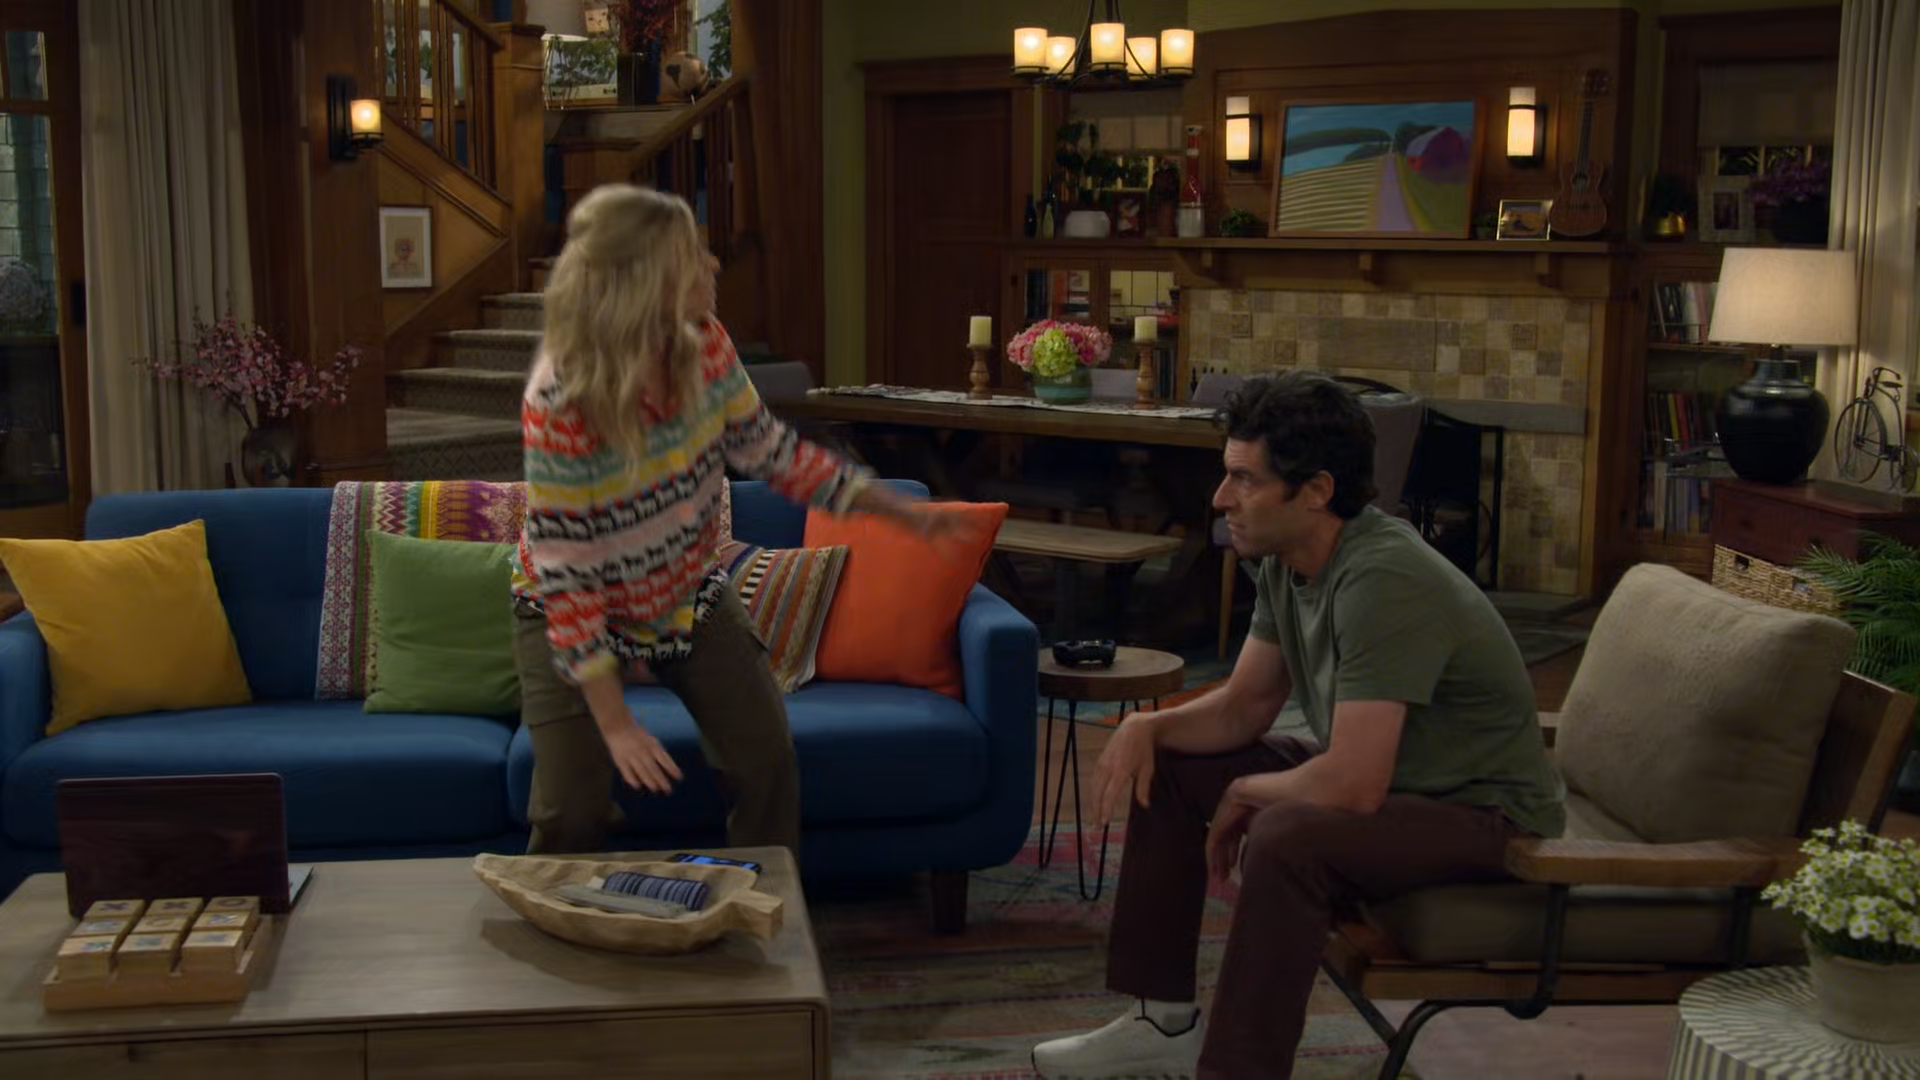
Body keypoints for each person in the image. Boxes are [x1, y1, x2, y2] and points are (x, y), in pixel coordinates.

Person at [1032, 371, 1566, 1080]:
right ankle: (1161, 1024)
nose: (1220, 499)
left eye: (1244, 480)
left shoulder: (1383, 579)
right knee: (1175, 765)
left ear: (1316, 490)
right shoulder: (1287, 560)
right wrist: (1146, 730)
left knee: (1288, 833)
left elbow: (1354, 782)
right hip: (1398, 785)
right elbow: (1245, 705)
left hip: (1482, 813)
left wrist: (1250, 792)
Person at [511, 183, 964, 858]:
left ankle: (758, 905)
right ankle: (556, 919)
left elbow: (767, 449)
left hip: (686, 592)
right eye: (695, 254)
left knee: (766, 761)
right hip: (574, 604)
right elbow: (569, 576)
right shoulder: (559, 396)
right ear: (649, 278)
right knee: (571, 807)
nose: (715, 264)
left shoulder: (708, 344)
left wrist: (894, 508)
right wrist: (617, 723)